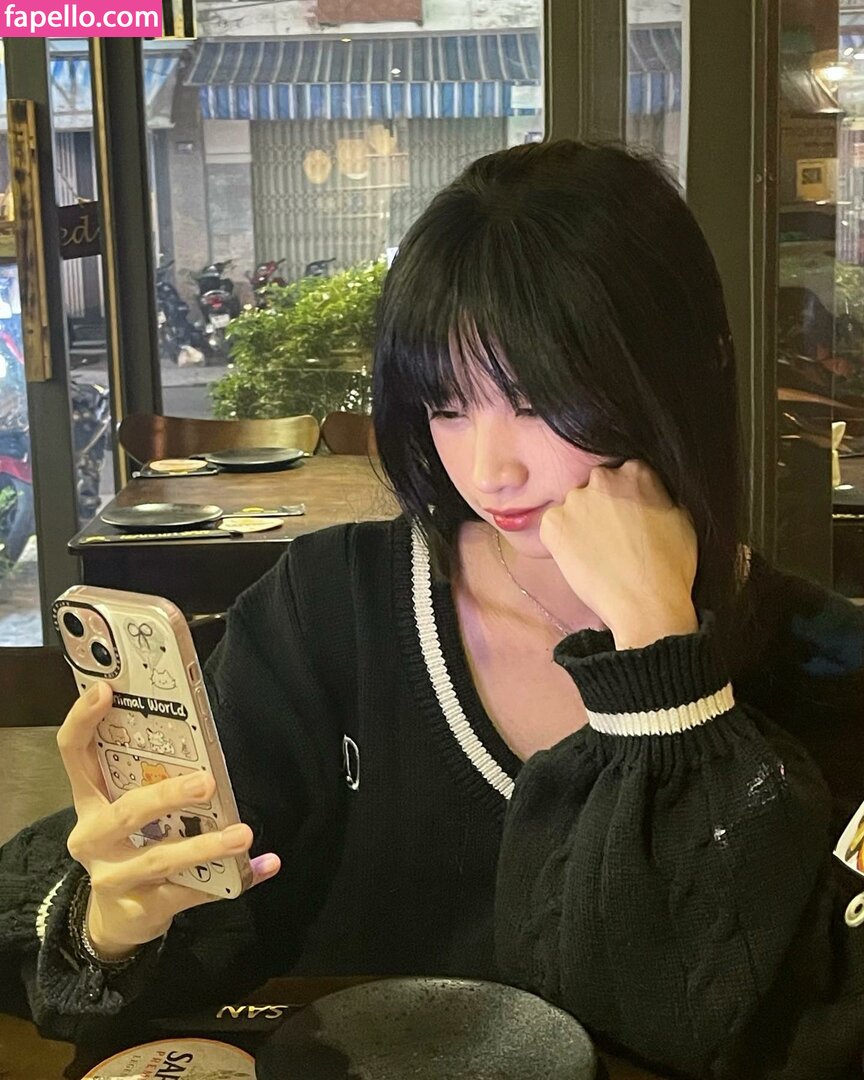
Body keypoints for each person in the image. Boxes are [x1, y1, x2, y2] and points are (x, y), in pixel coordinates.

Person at [2, 139, 863, 1080]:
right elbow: (180, 924)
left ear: (674, 376)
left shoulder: (822, 665)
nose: (488, 470)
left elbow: (729, 1019)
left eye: (540, 400)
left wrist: (661, 657)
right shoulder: (334, 608)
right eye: (448, 407)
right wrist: (114, 922)